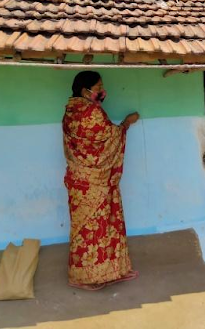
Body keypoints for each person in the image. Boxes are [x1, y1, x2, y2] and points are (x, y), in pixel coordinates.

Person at [63, 71, 140, 291]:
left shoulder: (70, 110)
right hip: (94, 182)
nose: (101, 91)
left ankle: (108, 271)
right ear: (84, 90)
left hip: (78, 180)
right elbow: (107, 138)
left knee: (87, 229)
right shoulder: (90, 112)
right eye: (98, 87)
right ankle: (85, 278)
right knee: (96, 229)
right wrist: (126, 124)